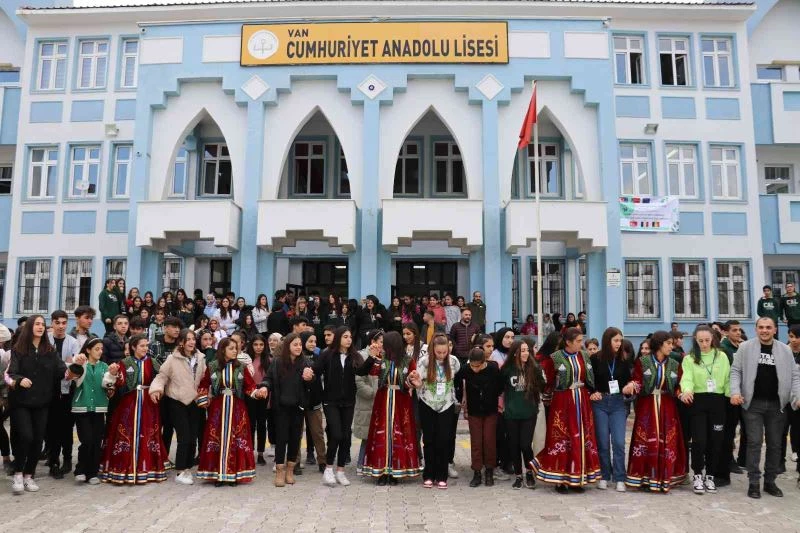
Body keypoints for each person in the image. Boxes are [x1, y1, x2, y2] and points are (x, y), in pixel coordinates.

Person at [730, 316, 800, 499]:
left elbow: (794, 375)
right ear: (756, 329)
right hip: (753, 404)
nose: (765, 330)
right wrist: (735, 392)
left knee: (776, 444)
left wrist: (797, 396)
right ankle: (754, 482)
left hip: (778, 405)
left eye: (768, 327)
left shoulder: (785, 350)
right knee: (753, 443)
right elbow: (735, 371)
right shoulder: (745, 348)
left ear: (775, 329)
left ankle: (770, 481)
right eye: (761, 327)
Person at [7, 316, 72, 494]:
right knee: (26, 437)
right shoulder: (18, 349)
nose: (41, 327)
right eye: (37, 324)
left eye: (43, 325)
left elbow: (62, 371)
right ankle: (18, 474)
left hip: (42, 402)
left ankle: (29, 475)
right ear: (30, 327)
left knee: (37, 439)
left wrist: (73, 370)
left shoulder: (49, 350)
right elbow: (11, 373)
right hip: (21, 402)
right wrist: (20, 380)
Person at [531, 327, 601, 492]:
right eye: (578, 341)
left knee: (582, 437)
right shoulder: (555, 358)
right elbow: (547, 382)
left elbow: (590, 379)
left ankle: (578, 478)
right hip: (562, 402)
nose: (581, 343)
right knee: (563, 438)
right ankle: (561, 480)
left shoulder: (584, 356)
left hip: (582, 400)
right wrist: (546, 400)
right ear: (568, 342)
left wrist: (593, 392)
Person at [195, 338, 266, 486]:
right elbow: (204, 384)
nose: (235, 351)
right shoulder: (213, 366)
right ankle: (218, 474)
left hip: (237, 407)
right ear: (222, 350)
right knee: (217, 438)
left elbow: (249, 386)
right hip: (218, 407)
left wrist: (257, 393)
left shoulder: (241, 366)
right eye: (232, 348)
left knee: (235, 438)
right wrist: (202, 399)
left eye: (236, 348)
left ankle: (233, 474)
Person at [622, 330, 686, 492]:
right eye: (668, 344)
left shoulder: (674, 364)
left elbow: (678, 385)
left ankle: (664, 477)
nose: (671, 347)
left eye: (672, 343)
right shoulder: (643, 362)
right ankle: (644, 476)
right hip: (647, 406)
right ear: (659, 345)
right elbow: (637, 380)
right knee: (646, 440)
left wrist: (683, 393)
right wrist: (632, 386)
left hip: (667, 406)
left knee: (667, 440)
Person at [100, 334, 167, 484]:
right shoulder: (124, 362)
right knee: (127, 433)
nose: (145, 349)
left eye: (146, 346)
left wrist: (157, 389)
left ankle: (148, 468)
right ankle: (123, 468)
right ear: (134, 347)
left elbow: (162, 377)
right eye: (142, 346)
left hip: (149, 402)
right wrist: (113, 375)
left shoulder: (153, 362)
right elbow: (119, 383)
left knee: (147, 432)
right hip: (129, 403)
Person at [314, 326, 373, 487]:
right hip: (330, 401)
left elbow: (362, 372)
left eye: (350, 337)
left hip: (348, 401)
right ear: (339, 337)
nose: (349, 339)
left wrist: (372, 358)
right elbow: (316, 371)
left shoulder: (354, 356)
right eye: (345, 336)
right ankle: (328, 469)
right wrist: (307, 374)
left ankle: (340, 471)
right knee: (336, 434)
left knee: (346, 436)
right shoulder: (327, 355)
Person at [149, 329, 207, 486]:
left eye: (193, 339)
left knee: (194, 436)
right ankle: (180, 470)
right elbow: (161, 377)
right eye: (187, 339)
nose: (191, 342)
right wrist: (156, 389)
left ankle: (188, 467)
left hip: (194, 402)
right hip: (177, 401)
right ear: (181, 342)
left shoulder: (201, 358)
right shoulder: (172, 359)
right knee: (184, 437)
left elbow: (204, 379)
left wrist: (206, 394)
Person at [679, 325, 730, 495]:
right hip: (698, 402)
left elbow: (727, 377)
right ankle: (698, 475)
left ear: (713, 339)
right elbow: (687, 378)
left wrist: (734, 394)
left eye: (707, 340)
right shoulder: (690, 358)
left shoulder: (721, 356)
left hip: (718, 401)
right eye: (700, 341)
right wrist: (686, 390)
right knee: (699, 440)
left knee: (715, 441)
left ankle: (710, 475)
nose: (704, 344)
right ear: (695, 340)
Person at [263, 333, 315, 487]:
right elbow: (269, 379)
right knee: (281, 440)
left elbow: (312, 385)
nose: (298, 347)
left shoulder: (306, 362)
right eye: (295, 344)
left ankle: (290, 470)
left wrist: (310, 378)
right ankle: (280, 471)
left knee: (295, 440)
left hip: (298, 408)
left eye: (300, 344)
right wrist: (264, 387)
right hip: (281, 408)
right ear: (288, 346)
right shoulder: (277, 362)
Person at [414, 334, 461, 489]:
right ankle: (428, 475)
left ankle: (442, 476)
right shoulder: (424, 362)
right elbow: (417, 382)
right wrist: (416, 382)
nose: (441, 355)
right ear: (432, 350)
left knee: (443, 440)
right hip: (427, 404)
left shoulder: (454, 361)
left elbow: (456, 379)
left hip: (446, 405)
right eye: (438, 352)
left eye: (444, 352)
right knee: (429, 440)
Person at [589, 327, 630, 492]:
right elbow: (589, 380)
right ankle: (604, 475)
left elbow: (629, 379)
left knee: (619, 442)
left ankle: (620, 477)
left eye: (620, 340)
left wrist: (630, 386)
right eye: (616, 340)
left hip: (618, 403)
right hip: (600, 403)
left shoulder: (624, 359)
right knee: (603, 442)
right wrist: (593, 393)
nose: (619, 344)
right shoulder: (595, 359)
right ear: (608, 341)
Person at [501, 340, 543, 490]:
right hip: (511, 413)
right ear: (515, 353)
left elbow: (543, 385)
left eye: (527, 350)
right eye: (522, 350)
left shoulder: (534, 368)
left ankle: (530, 472)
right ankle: (519, 475)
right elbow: (499, 387)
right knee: (514, 445)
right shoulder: (507, 369)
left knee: (525, 444)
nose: (526, 353)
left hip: (529, 412)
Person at [70, 338, 110, 485]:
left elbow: (108, 383)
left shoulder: (104, 366)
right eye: (96, 349)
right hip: (82, 407)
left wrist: (112, 377)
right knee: (86, 440)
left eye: (101, 349)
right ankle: (80, 470)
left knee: (96, 441)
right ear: (88, 350)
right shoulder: (81, 364)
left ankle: (93, 472)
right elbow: (73, 377)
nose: (100, 351)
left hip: (99, 408)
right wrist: (78, 363)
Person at [460, 346, 501, 487]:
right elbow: (457, 382)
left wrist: (493, 397)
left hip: (490, 410)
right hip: (474, 411)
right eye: (472, 365)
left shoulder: (493, 368)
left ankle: (489, 470)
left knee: (489, 440)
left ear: (484, 362)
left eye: (478, 366)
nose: (475, 369)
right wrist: (462, 399)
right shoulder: (466, 369)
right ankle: (477, 471)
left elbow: (500, 386)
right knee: (476, 442)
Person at [46, 310, 81, 479]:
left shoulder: (73, 342)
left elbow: (74, 367)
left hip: (68, 390)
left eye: (63, 323)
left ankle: (67, 459)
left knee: (67, 427)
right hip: (49, 390)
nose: (61, 326)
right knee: (51, 428)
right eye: (57, 323)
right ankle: (53, 461)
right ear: (52, 323)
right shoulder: (45, 341)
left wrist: (66, 365)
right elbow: (46, 366)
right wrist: (65, 364)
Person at [718, 320, 746, 484]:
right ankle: (728, 460)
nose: (738, 333)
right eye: (734, 330)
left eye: (739, 330)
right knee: (729, 430)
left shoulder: (741, 347)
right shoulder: (724, 349)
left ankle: (743, 459)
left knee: (746, 430)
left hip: (744, 393)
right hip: (730, 396)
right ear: (726, 332)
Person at [354, 330, 382, 477]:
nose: (383, 345)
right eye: (381, 342)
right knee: (366, 436)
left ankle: (374, 463)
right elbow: (359, 380)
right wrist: (372, 393)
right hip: (367, 402)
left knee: (378, 435)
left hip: (381, 401)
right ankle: (360, 463)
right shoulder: (362, 356)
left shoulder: (384, 357)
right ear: (373, 341)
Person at [300, 330, 326, 472]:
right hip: (299, 400)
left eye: (315, 342)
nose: (313, 344)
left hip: (315, 400)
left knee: (318, 432)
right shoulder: (296, 358)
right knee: (297, 433)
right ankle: (295, 462)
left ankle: (322, 461)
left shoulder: (319, 357)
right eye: (310, 341)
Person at [245, 334, 270, 466]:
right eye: (256, 344)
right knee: (250, 424)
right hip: (249, 394)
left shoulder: (268, 360)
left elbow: (270, 379)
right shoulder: (246, 359)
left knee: (262, 424)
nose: (258, 347)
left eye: (261, 345)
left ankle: (260, 453)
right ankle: (250, 452)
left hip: (263, 393)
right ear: (251, 345)